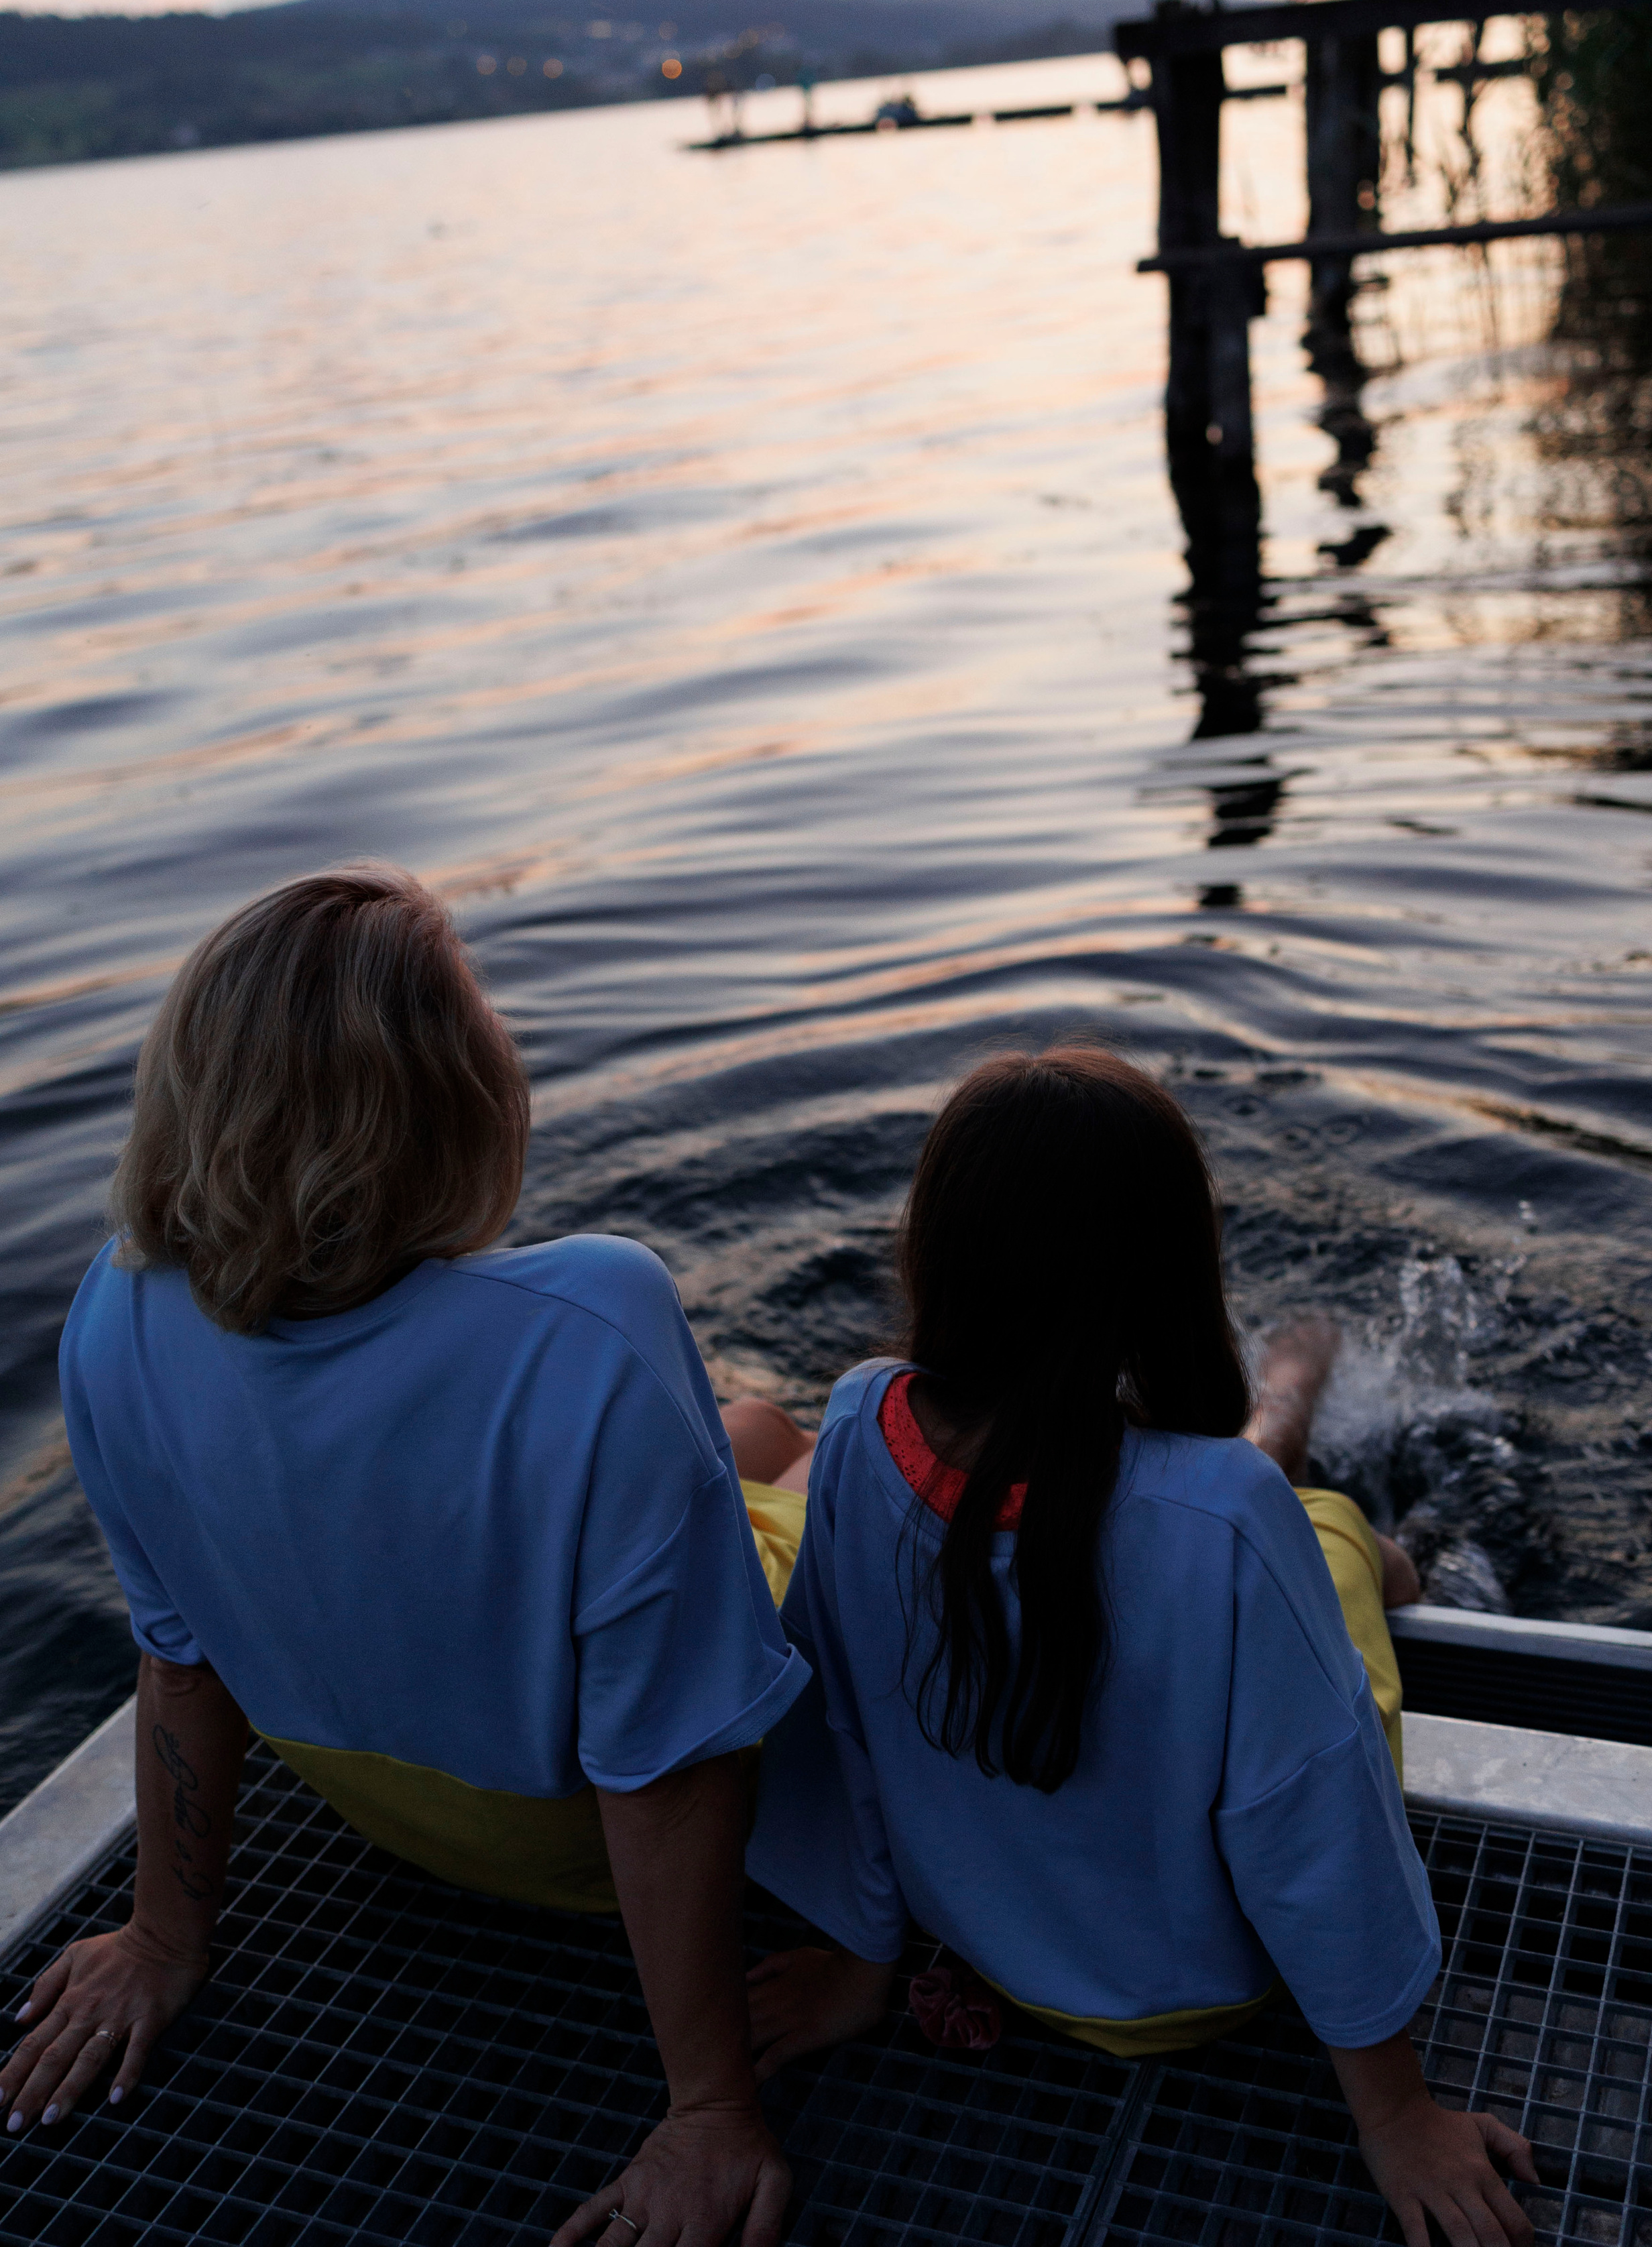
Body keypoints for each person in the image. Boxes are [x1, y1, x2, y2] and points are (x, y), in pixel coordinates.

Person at [0, 867, 807, 2247]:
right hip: (584, 1851)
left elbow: (178, 1659)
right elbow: (671, 1767)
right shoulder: (593, 1318)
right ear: (443, 1101)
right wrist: (707, 2111)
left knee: (737, 1427)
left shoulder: (113, 1314)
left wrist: (166, 1941)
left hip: (399, 1816)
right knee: (826, 1438)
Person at [742, 1048, 1538, 2247]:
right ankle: (1340, 1469)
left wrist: (862, 1963)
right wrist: (1397, 2113)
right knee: (1327, 1537)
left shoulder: (858, 1423)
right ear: (1171, 1282)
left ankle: (1296, 1422)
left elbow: (840, 1725)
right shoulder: (1222, 1516)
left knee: (1234, 1511)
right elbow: (1312, 1823)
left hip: (984, 1941)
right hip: (1196, 1995)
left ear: (933, 1251)